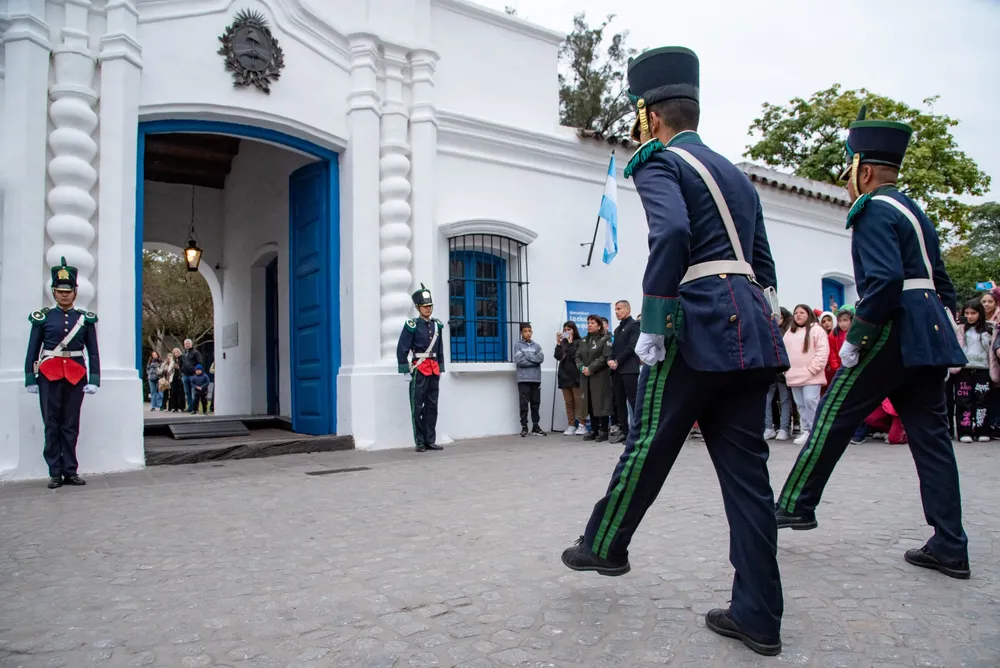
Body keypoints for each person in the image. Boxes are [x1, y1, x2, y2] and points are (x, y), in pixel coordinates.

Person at [560, 47, 788, 656]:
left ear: (650, 116)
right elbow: (762, 262)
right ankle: (759, 615)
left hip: (695, 323)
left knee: (647, 442)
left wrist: (656, 317)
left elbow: (673, 234)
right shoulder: (736, 174)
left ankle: (605, 545)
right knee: (749, 480)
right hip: (749, 329)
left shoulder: (657, 160)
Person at [774, 106, 971, 580]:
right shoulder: (915, 213)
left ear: (863, 172)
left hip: (891, 328)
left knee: (833, 415)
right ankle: (950, 543)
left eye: (849, 173)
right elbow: (943, 284)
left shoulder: (872, 210)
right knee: (932, 440)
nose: (848, 184)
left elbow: (883, 280)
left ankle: (796, 503)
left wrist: (858, 336)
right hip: (926, 331)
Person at [24, 257, 100, 489]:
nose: (64, 295)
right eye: (60, 292)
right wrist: (30, 377)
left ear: (75, 292)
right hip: (49, 376)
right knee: (51, 424)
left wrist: (94, 378)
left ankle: (70, 470)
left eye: (68, 292)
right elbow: (33, 349)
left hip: (76, 376)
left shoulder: (84, 320)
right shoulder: (43, 318)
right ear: (53, 292)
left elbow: (93, 352)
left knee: (71, 424)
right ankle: (55, 472)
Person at [397, 283, 445, 452]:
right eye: (425, 306)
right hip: (419, 369)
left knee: (432, 406)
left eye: (430, 306)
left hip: (433, 368)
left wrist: (441, 367)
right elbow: (402, 348)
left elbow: (440, 349)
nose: (428, 309)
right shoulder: (412, 325)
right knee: (417, 406)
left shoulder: (437, 325)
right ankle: (419, 441)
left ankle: (430, 440)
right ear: (418, 307)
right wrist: (405, 370)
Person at [783, 305, 829, 446]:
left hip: (811, 376)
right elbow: (783, 351)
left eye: (802, 312)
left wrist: (813, 369)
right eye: (796, 312)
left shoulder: (816, 330)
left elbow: (822, 351)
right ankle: (806, 430)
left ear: (808, 314)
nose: (798, 315)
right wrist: (786, 370)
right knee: (801, 404)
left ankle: (814, 431)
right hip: (794, 375)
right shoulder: (789, 332)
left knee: (810, 401)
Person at [951, 299, 993, 442]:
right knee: (963, 401)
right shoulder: (960, 329)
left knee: (983, 400)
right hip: (964, 370)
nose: (969, 316)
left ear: (980, 313)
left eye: (973, 313)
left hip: (983, 369)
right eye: (967, 313)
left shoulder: (989, 329)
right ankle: (964, 431)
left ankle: (982, 430)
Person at [575, 315, 613, 442]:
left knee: (601, 402)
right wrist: (582, 368)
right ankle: (594, 429)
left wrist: (590, 368)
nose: (589, 325)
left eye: (592, 323)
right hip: (585, 377)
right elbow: (577, 356)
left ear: (599, 325)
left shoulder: (605, 339)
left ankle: (604, 430)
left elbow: (604, 357)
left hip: (600, 376)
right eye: (588, 323)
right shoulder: (584, 340)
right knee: (590, 402)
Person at [609, 300, 641, 444]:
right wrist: (610, 360)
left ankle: (637, 432)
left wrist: (617, 361)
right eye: (615, 309)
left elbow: (631, 347)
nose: (616, 312)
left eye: (619, 309)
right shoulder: (617, 330)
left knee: (633, 401)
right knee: (619, 402)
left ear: (627, 309)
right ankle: (626, 432)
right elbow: (614, 348)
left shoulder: (634, 325)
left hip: (629, 369)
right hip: (616, 371)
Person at [554, 322, 587, 435]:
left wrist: (571, 343)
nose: (567, 332)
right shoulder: (563, 343)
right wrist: (558, 343)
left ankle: (582, 424)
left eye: (569, 329)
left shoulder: (579, 342)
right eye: (565, 330)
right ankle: (571, 424)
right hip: (564, 376)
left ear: (574, 330)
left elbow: (576, 356)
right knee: (569, 403)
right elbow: (558, 356)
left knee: (579, 402)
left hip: (576, 377)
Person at [514, 322, 546, 437]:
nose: (528, 333)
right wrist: (534, 360)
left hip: (536, 379)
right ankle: (524, 427)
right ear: (521, 333)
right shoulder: (518, 345)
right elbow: (520, 361)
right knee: (524, 404)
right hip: (523, 379)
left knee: (535, 403)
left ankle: (535, 426)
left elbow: (541, 358)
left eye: (529, 331)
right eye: (525, 331)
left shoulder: (537, 346)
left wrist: (527, 357)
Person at [180, 339, 202, 413]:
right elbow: (181, 364)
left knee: (194, 392)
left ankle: (195, 408)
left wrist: (197, 372)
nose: (187, 344)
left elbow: (199, 362)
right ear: (184, 345)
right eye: (186, 343)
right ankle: (190, 407)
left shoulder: (196, 352)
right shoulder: (183, 354)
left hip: (193, 375)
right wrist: (181, 370)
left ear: (191, 344)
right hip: (185, 375)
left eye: (188, 343)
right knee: (187, 392)